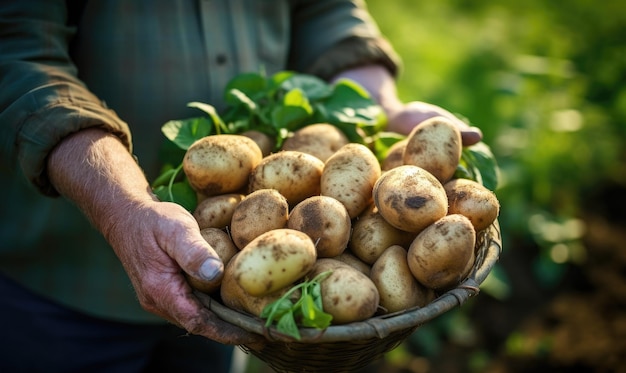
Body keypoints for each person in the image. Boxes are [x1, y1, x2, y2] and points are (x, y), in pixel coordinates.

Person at [0, 1, 482, 372]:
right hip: (63, 283)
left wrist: (377, 105)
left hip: (227, 305)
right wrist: (121, 206)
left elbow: (325, 8)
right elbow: (15, 50)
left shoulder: (309, 219)